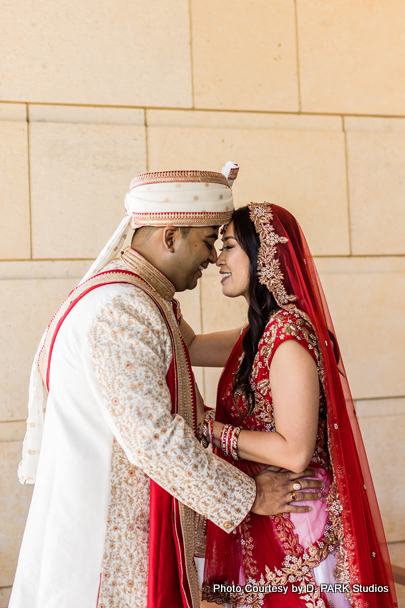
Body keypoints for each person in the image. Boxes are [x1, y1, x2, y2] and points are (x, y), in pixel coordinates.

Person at [9, 168, 323, 608]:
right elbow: (154, 438)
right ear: (170, 237)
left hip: (124, 518)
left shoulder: (137, 299)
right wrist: (248, 494)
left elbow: (190, 350)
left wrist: (283, 323)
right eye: (210, 239)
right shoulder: (122, 308)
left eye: (224, 243)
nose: (213, 257)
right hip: (104, 534)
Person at [181, 203, 397, 608]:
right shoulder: (258, 334)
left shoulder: (288, 335)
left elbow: (293, 450)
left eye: (228, 246)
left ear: (263, 253)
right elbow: (189, 346)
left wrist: (207, 429)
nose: (217, 259)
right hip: (266, 513)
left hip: (298, 519)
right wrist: (157, 280)